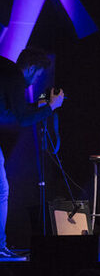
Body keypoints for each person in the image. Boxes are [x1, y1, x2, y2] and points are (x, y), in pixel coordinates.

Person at [0, 48, 64, 258]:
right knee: (2, 191)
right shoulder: (15, 77)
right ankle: (0, 247)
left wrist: (41, 104)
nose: (35, 81)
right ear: (30, 67)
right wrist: (50, 108)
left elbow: (13, 111)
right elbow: (22, 120)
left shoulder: (7, 74)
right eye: (36, 75)